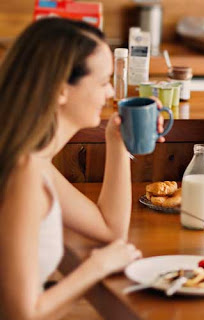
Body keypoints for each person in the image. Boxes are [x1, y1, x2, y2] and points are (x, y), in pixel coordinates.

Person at [0, 18, 166, 318]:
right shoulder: (23, 172)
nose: (110, 95)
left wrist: (116, 141)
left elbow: (109, 228)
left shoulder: (32, 161)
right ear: (61, 90)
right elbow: (21, 314)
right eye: (103, 82)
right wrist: (97, 267)